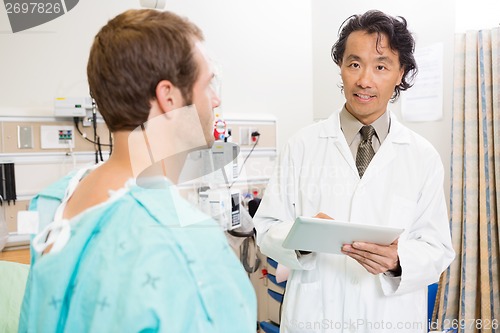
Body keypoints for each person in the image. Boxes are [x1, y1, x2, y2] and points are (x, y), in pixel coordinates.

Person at [19, 9, 256, 333]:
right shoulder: (186, 245)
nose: (215, 99)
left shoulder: (54, 201)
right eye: (207, 83)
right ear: (168, 97)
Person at [254, 10, 455, 333]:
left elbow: (437, 248)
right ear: (341, 68)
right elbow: (266, 229)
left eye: (380, 66)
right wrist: (301, 239)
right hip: (315, 318)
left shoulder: (422, 156)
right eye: (354, 64)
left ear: (400, 73)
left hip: (390, 320)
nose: (364, 80)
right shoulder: (302, 145)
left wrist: (398, 260)